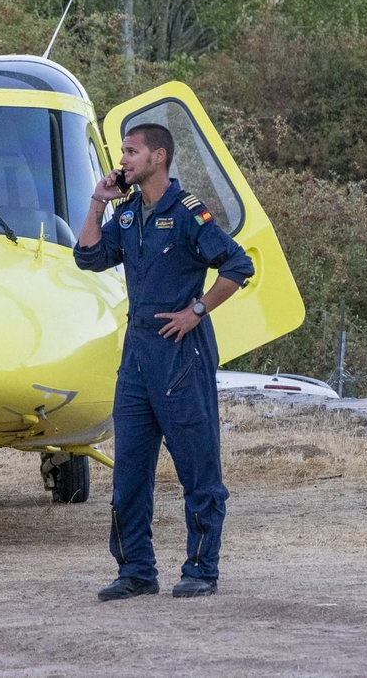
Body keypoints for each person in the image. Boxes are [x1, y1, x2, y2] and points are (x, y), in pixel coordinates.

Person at [73, 123, 254, 601]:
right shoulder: (128, 213)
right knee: (129, 473)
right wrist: (98, 202)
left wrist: (198, 311)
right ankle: (136, 571)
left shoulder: (189, 212)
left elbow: (238, 265)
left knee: (198, 469)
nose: (123, 160)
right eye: (123, 152)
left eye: (131, 152)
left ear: (158, 157)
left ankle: (201, 569)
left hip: (181, 356)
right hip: (136, 357)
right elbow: (87, 257)